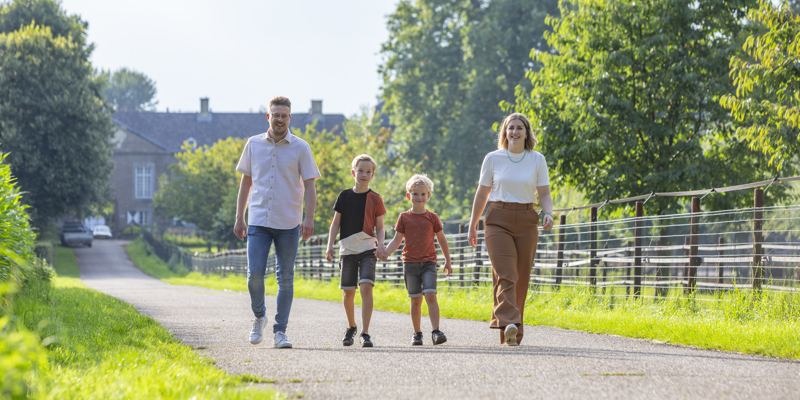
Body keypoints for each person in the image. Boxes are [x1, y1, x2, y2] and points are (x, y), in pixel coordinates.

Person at [234, 96, 320, 349]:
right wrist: (239, 217)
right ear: (268, 117)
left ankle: (280, 331)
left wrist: (309, 218)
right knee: (254, 274)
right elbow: (246, 182)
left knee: (286, 278)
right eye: (275, 115)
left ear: (289, 118)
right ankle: (259, 316)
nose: (279, 119)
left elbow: (310, 185)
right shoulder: (253, 144)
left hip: (289, 221)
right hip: (258, 219)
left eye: (284, 115)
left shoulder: (301, 147)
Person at [466, 113, 554, 346]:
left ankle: (512, 331)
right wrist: (473, 224)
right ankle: (510, 322)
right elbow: (482, 194)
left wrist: (548, 213)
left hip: (527, 220)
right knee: (506, 273)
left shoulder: (537, 159)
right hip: (498, 220)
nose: (514, 132)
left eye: (519, 128)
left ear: (527, 132)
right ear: (505, 132)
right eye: (510, 128)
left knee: (521, 277)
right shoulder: (493, 158)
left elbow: (544, 193)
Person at [382, 174, 452, 346]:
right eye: (415, 194)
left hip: (429, 263)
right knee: (415, 299)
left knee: (430, 294)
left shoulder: (432, 217)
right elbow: (396, 240)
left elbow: (442, 239)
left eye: (422, 194)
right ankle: (417, 333)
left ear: (428, 196)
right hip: (410, 263)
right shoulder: (404, 217)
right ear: (408, 195)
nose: (419, 197)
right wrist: (386, 252)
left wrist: (447, 260)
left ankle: (436, 331)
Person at [325, 154, 387, 347]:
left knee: (366, 286)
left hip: (368, 248)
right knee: (348, 293)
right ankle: (351, 326)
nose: (364, 174)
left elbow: (380, 227)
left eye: (368, 172)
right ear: (353, 172)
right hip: (347, 250)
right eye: (360, 171)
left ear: (372, 175)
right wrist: (330, 245)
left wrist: (381, 244)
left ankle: (365, 333)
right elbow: (335, 223)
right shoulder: (344, 196)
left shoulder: (376, 199)